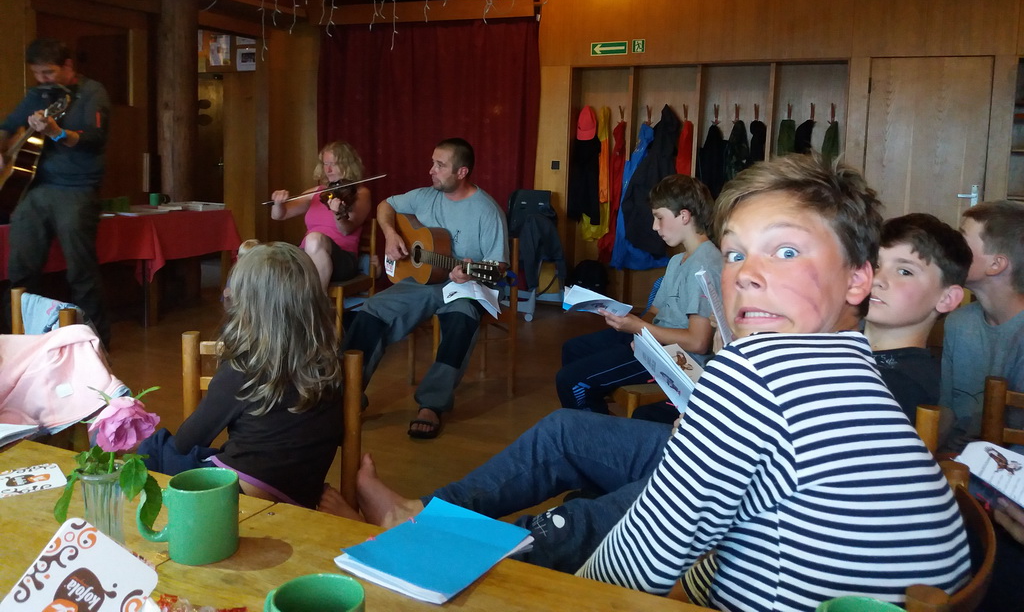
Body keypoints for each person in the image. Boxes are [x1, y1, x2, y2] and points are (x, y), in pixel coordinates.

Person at [335, 155, 970, 608]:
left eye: (786, 251)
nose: (745, 275)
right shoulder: (852, 361)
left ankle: (420, 536)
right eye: (736, 252)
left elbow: (629, 571)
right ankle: (427, 520)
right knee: (575, 446)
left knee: (580, 526)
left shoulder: (759, 373)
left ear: (859, 279)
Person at [139, 242, 345, 508]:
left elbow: (186, 442)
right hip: (301, 497)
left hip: (239, 497)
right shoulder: (330, 365)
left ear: (248, 308)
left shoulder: (244, 369)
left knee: (156, 447)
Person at [340, 138, 507, 439]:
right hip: (422, 282)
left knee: (460, 321)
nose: (431, 170)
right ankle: (347, 395)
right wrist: (390, 234)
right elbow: (386, 205)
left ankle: (432, 404)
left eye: (440, 165)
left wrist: (470, 272)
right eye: (433, 162)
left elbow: (498, 267)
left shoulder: (486, 210)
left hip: (466, 286)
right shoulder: (424, 196)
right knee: (371, 310)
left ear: (462, 172)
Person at [555, 174, 721, 414]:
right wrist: (635, 330)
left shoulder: (706, 264)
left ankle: (597, 430)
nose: (654, 226)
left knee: (570, 380)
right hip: (655, 342)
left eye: (659, 217)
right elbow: (654, 311)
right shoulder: (677, 260)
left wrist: (639, 329)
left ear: (684, 216)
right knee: (573, 349)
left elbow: (698, 342)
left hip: (678, 357)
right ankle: (594, 411)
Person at [0, 38, 110, 346]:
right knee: (20, 268)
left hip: (76, 189)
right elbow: (7, 125)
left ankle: (94, 343)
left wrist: (57, 132)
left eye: (48, 72)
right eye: (37, 73)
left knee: (80, 271)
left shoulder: (92, 93)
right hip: (34, 189)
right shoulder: (38, 93)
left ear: (68, 65)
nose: (42, 79)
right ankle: (20, 341)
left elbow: (94, 140)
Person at [863, 213, 971, 420]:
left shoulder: (905, 384)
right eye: (875, 265)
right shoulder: (836, 343)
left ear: (947, 298)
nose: (877, 279)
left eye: (905, 272)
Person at [940, 200, 1024, 451]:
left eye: (961, 241)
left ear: (996, 264)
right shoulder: (959, 323)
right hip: (955, 460)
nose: (950, 250)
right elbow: (946, 411)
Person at [270, 141, 371, 293]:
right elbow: (279, 215)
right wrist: (278, 203)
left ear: (347, 164)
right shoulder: (317, 192)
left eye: (333, 164)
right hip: (307, 255)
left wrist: (337, 213)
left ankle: (317, 301)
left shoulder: (360, 193)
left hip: (342, 260)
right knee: (270, 256)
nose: (328, 170)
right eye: (325, 164)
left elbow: (346, 230)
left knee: (314, 239)